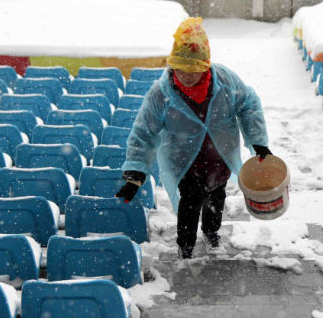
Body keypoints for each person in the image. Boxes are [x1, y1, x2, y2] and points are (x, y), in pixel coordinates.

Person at [116, 17, 271, 259]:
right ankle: (185, 245)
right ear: (173, 66)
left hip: (220, 156)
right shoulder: (161, 93)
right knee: (190, 202)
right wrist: (135, 171)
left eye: (193, 70)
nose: (187, 76)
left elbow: (248, 104)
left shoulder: (225, 81)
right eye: (181, 69)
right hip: (185, 161)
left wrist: (258, 141)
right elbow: (144, 131)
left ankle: (211, 232)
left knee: (216, 197)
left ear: (205, 67)